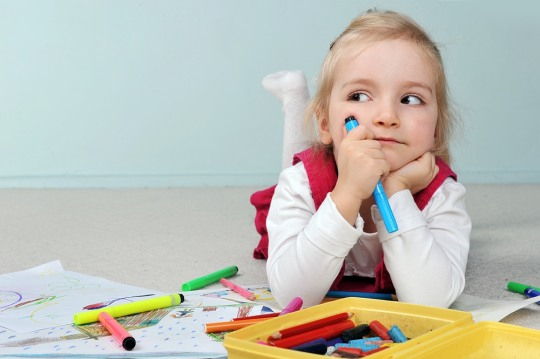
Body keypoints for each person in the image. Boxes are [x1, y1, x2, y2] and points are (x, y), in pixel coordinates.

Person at [251, 9, 471, 309]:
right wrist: (348, 192)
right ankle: (295, 99)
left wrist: (398, 190)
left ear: (436, 131)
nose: (387, 117)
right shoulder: (300, 182)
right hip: (318, 187)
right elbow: (294, 298)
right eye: (359, 96)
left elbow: (431, 301)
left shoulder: (443, 194)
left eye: (411, 99)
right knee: (288, 177)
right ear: (326, 124)